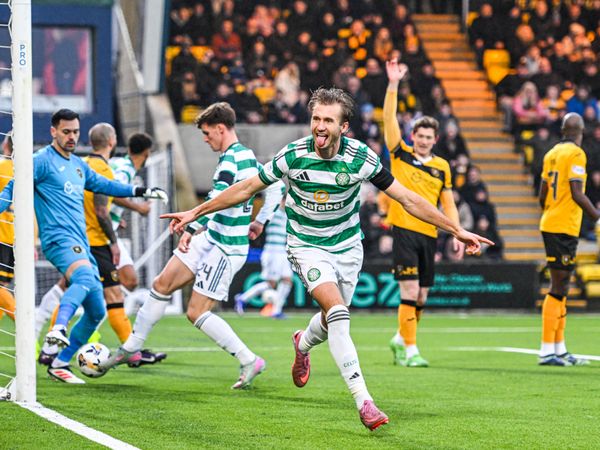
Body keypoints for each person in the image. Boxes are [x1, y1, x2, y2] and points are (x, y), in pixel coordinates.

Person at [160, 88, 492, 430]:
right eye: (316, 118)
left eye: (328, 120)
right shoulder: (293, 155)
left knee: (330, 317)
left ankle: (302, 343)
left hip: (348, 247)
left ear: (343, 127)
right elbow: (245, 188)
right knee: (338, 314)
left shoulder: (361, 158)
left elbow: (407, 199)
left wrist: (456, 230)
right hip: (306, 246)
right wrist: (195, 212)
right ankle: (364, 401)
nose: (320, 125)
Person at [100, 102, 268, 390]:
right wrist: (259, 220)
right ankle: (132, 347)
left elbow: (217, 197)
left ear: (220, 128)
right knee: (162, 284)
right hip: (211, 236)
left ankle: (249, 359)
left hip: (226, 247)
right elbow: (271, 187)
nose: (205, 139)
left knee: (196, 312)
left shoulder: (232, 159)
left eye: (207, 133)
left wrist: (191, 226)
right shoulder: (245, 156)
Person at [0, 109, 167, 384]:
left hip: (82, 244)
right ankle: (58, 330)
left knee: (97, 311)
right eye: (66, 131)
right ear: (53, 131)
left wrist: (142, 191)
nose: (72, 137)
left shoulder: (78, 165)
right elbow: (10, 191)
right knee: (85, 279)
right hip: (58, 240)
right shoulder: (40, 161)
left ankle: (59, 363)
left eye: (75, 132)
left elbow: (107, 185)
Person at [36, 125, 166, 368]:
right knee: (112, 293)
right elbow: (102, 205)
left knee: (89, 295)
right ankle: (129, 351)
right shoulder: (109, 169)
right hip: (94, 240)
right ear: (112, 141)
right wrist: (116, 237)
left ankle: (53, 350)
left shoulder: (81, 163)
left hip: (78, 238)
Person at [383, 59, 466, 368]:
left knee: (422, 296)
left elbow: (449, 203)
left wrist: (456, 232)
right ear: (413, 135)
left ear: (435, 140)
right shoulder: (400, 154)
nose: (423, 140)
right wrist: (393, 84)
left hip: (429, 235)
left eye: (429, 137)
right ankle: (411, 350)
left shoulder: (442, 166)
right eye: (420, 135)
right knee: (409, 291)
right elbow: (388, 119)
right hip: (404, 230)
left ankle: (400, 337)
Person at [538, 112, 594, 366]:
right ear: (580, 132)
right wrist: (597, 218)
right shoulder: (576, 154)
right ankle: (546, 351)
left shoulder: (551, 153)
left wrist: (552, 210)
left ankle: (559, 349)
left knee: (562, 287)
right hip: (562, 227)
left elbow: (542, 195)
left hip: (554, 223)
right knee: (558, 287)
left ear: (562, 130)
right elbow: (576, 193)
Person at [234, 181, 292, 318]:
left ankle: (276, 310)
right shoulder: (274, 212)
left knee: (287, 280)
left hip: (282, 251)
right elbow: (269, 199)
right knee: (271, 283)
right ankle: (242, 298)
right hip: (272, 251)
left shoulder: (286, 215)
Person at [0, 133, 15, 322]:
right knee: (2, 286)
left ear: (6, 146)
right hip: (15, 236)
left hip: (1, 233)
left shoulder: (2, 167)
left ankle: (27, 325)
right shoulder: (26, 171)